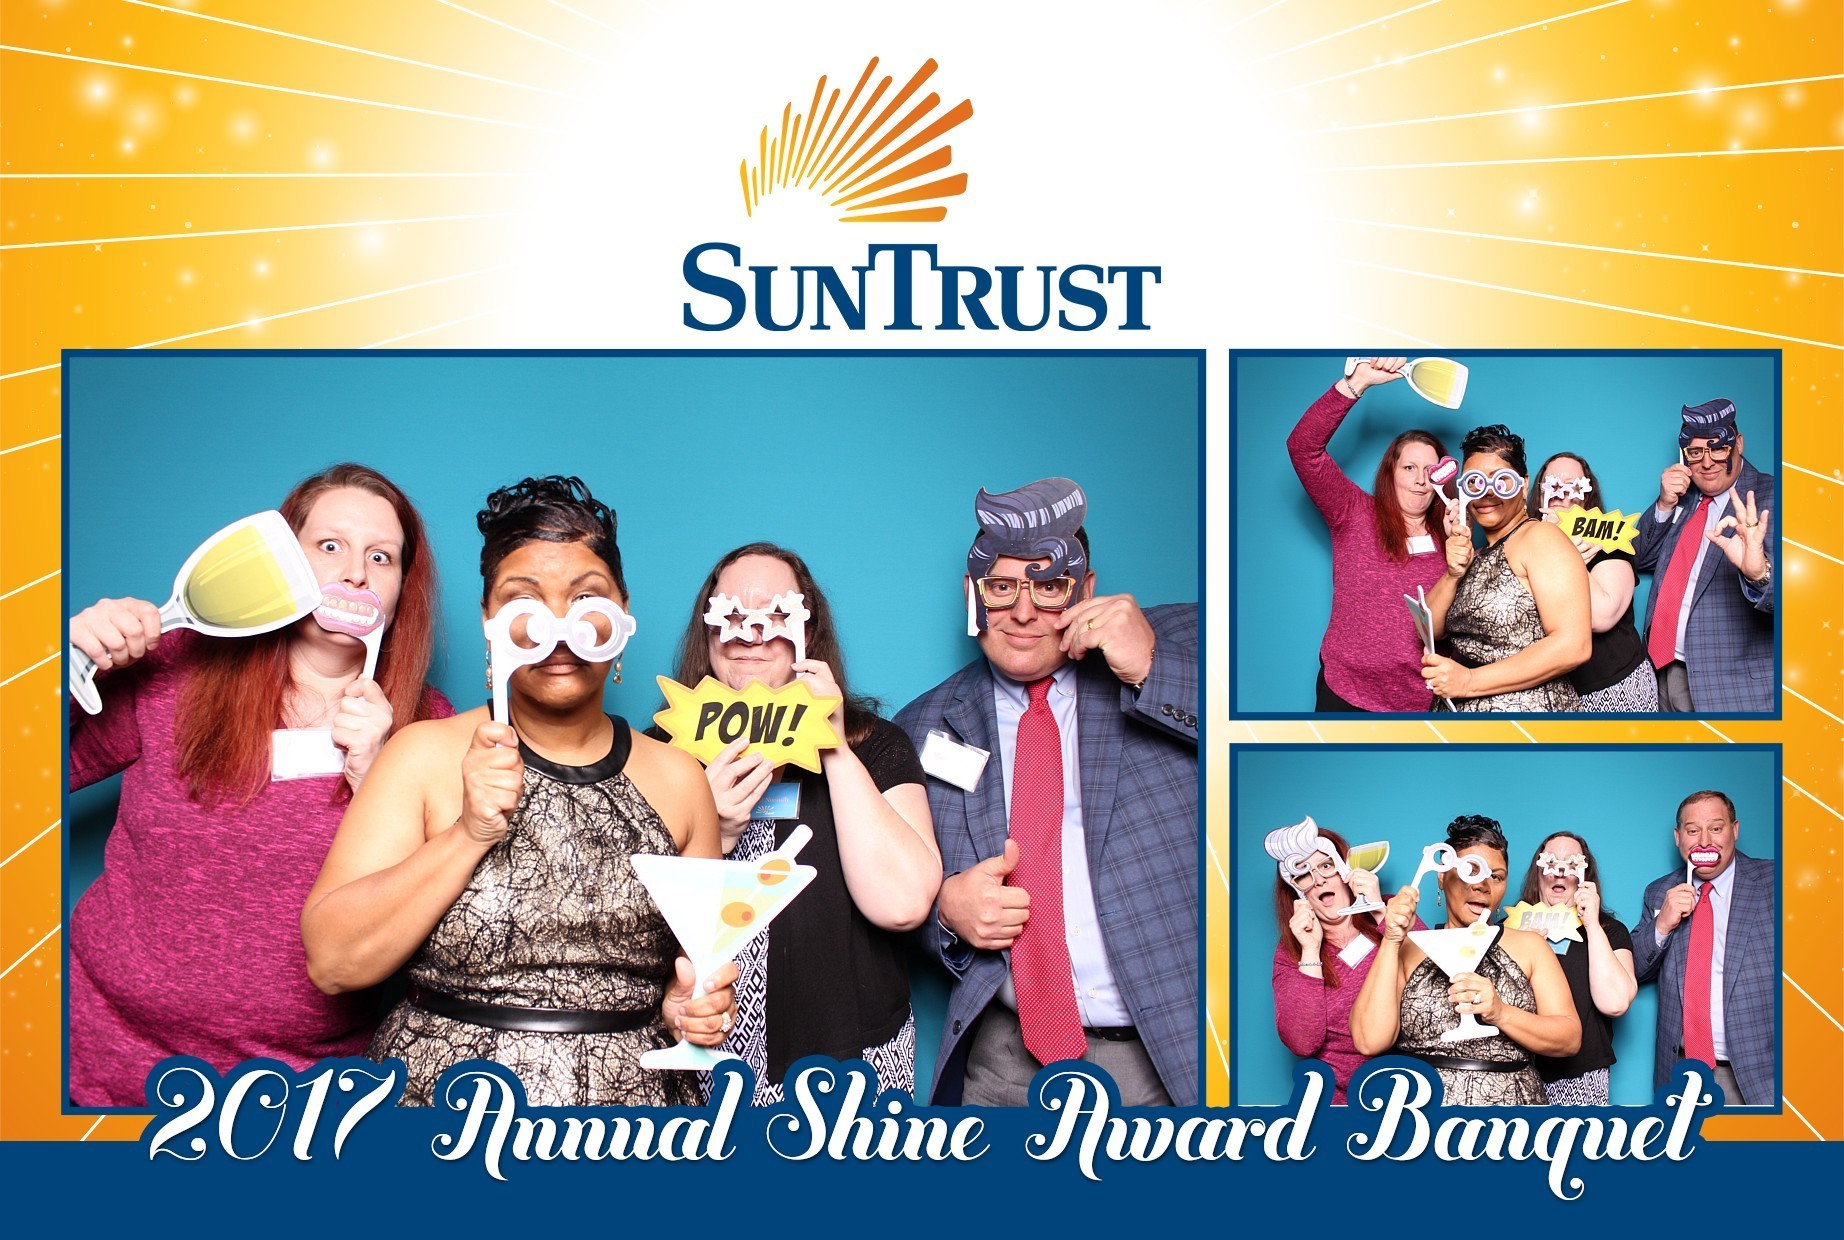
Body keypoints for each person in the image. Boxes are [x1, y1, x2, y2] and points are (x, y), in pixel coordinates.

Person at [302, 476, 734, 1107]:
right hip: (444, 1117)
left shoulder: (680, 779)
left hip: (635, 1127)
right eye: (524, 602)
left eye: (585, 598)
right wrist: (469, 832)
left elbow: (693, 978)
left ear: (622, 614)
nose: (556, 627)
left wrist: (686, 1008)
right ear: (490, 622)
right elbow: (333, 963)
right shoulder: (422, 756)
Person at [66, 463, 452, 1106]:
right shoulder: (173, 671)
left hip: (303, 1098)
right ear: (282, 561)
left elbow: (437, 918)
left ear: (400, 589)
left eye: (380, 557)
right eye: (329, 546)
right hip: (109, 1062)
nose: (355, 573)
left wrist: (379, 777)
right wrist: (62, 663)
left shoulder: (429, 728)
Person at [895, 477, 1198, 1106]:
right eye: (1001, 587)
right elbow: (895, 881)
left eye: (1049, 586)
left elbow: (1267, 747)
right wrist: (945, 912)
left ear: (1086, 590)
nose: (1024, 612)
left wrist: (1154, 668)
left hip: (1165, 1055)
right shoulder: (921, 728)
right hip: (1003, 1064)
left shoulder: (1180, 644)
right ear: (972, 594)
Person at [660, 543, 940, 1104]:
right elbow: (630, 931)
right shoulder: (661, 755)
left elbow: (904, 904)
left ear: (807, 630)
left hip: (852, 1066)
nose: (751, 634)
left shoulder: (876, 746)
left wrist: (832, 743)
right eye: (731, 615)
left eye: (774, 614)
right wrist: (713, 831)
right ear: (707, 631)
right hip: (704, 1064)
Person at [1351, 815, 1581, 1105]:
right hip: (1423, 1113)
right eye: (1470, 870)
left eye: (1496, 876)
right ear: (1441, 875)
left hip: (1511, 1118)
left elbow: (1569, 1039)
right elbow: (1369, 1041)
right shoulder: (1409, 949)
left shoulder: (1530, 947)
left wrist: (1501, 1013)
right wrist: (1392, 940)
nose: (1483, 884)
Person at [1286, 357, 1449, 711]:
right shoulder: (1354, 512)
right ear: (1391, 474)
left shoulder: (1454, 536)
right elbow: (1303, 449)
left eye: (1430, 470)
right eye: (1409, 467)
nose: (1420, 480)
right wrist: (1356, 383)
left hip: (1418, 703)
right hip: (1344, 692)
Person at [1422, 424, 1592, 711]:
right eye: (1475, 482)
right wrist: (1453, 574)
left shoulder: (1541, 538)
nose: (1486, 494)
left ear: (1523, 486)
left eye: (1500, 481)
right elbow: (1430, 631)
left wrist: (1469, 682)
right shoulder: (1476, 554)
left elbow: (1573, 645)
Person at [1630, 790, 1777, 1105]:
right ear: (1678, 837)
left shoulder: (1774, 882)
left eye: (1716, 828)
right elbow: (1634, 971)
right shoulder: (1659, 892)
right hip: (1682, 1069)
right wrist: (1662, 924)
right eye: (1693, 830)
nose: (1705, 841)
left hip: (1761, 1072)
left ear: (1734, 830)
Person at [1635, 399, 1776, 713]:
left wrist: (1759, 574)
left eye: (1718, 449)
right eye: (1696, 452)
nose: (1707, 463)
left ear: (1738, 444)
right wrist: (1664, 505)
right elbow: (1640, 558)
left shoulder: (1775, 496)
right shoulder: (1684, 497)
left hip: (1732, 687)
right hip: (1661, 671)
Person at [1265, 818, 1397, 1104]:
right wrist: (1310, 952)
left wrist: (1379, 911)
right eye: (1303, 873)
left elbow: (1431, 977)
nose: (1319, 880)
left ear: (1346, 869)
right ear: (1296, 890)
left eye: (1326, 866)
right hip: (1337, 1103)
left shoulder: (1390, 910)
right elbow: (1302, 1042)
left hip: (1409, 1091)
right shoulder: (1291, 951)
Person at [1530, 453, 1660, 712]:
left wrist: (1567, 553)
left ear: (1586, 494)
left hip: (1615, 687)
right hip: (1550, 694)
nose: (1563, 495)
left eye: (1573, 486)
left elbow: (1602, 616)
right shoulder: (1526, 544)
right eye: (1554, 485)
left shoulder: (1608, 542)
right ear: (1540, 491)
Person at [1515, 832, 1636, 1105]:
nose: (1560, 872)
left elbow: (1615, 1003)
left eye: (1571, 864)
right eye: (1551, 862)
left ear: (1584, 874)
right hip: (1514, 1073)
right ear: (1538, 872)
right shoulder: (1508, 930)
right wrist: (1521, 945)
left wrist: (1591, 923)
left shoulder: (1609, 930)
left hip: (1581, 1078)